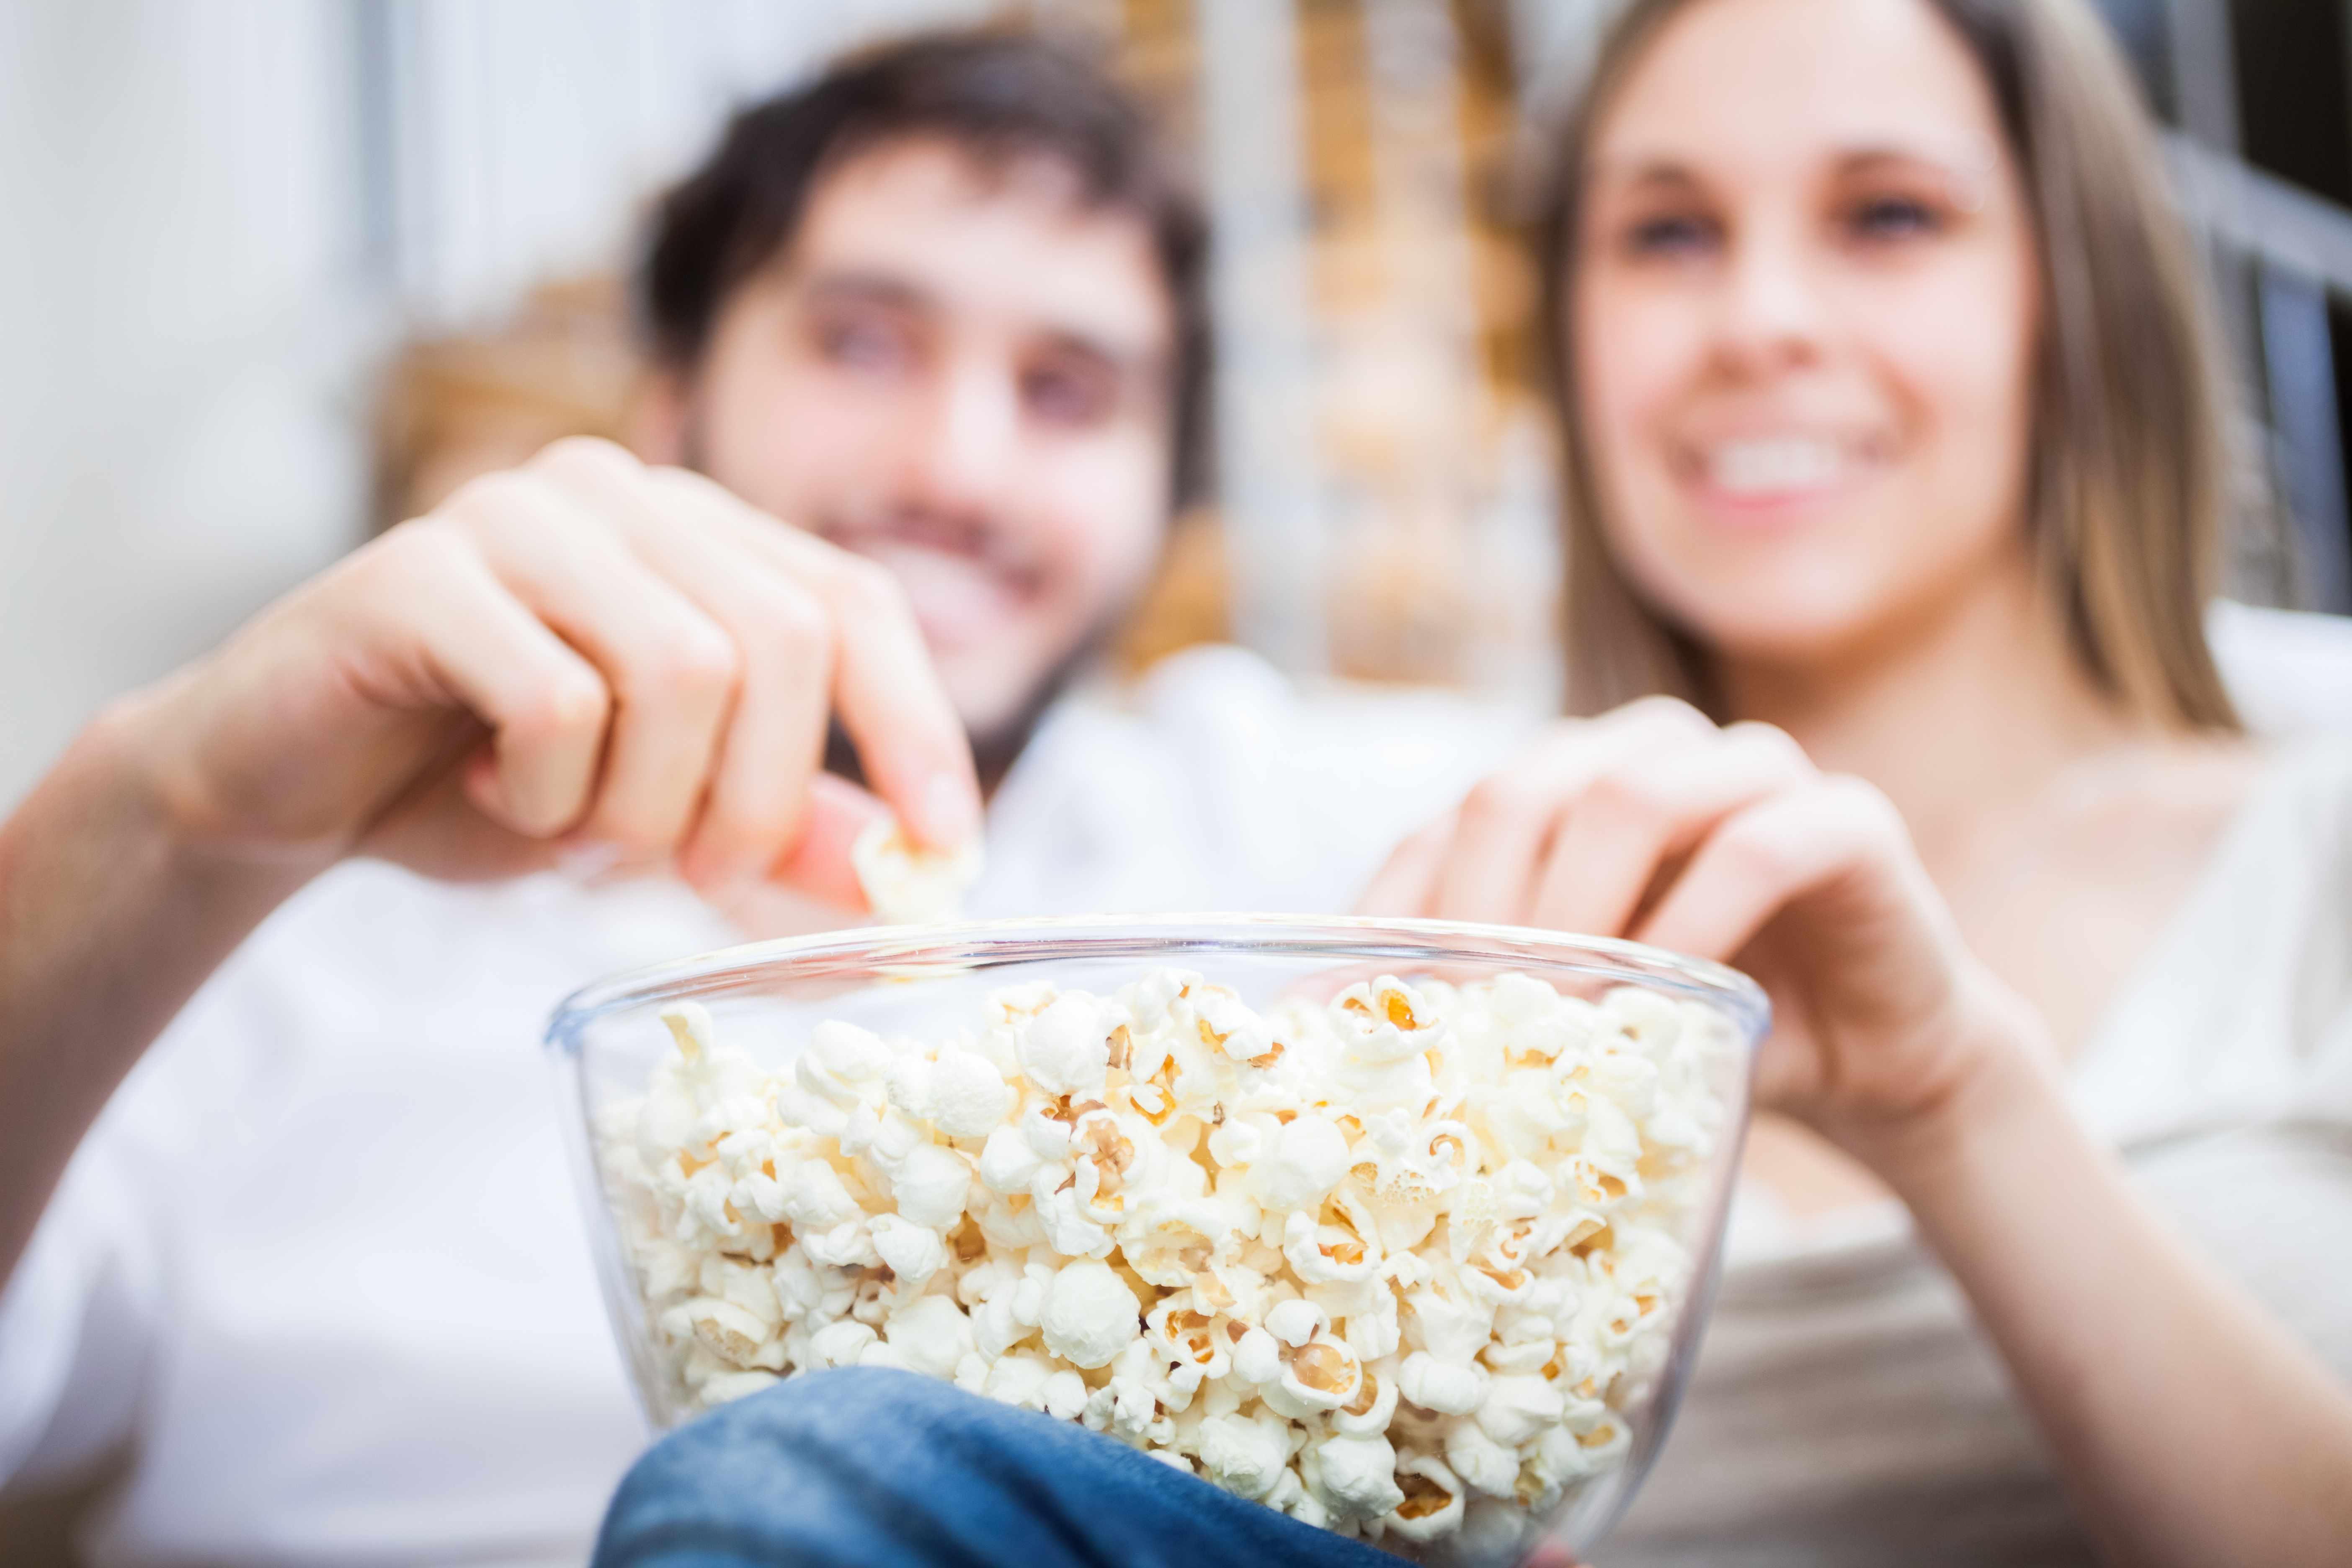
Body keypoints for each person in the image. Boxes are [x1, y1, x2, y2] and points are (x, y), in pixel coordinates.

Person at [587, 1, 2352, 1565]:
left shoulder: (2319, 807)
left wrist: (1959, 1106)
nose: (1760, 319)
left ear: (2081, 284)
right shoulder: (1396, 828)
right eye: (1663, 234)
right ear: (1566, 332)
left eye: (1888, 216)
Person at [0, 33, 1514, 1563]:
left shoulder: (1293, 827)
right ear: (669, 410)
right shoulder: (275, 926)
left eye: (1068, 391)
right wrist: (172, 814)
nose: (957, 467)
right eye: (861, 343)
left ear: (1164, 507)